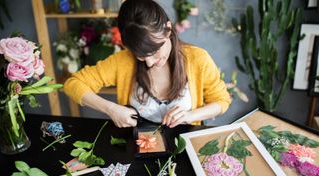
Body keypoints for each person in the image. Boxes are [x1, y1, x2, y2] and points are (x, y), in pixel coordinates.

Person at [64, 0, 231, 128]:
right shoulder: (123, 60)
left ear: (167, 28)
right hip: (137, 147)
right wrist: (111, 109)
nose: (150, 62)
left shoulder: (198, 59)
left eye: (155, 50)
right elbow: (73, 84)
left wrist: (189, 116)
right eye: (142, 56)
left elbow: (222, 100)